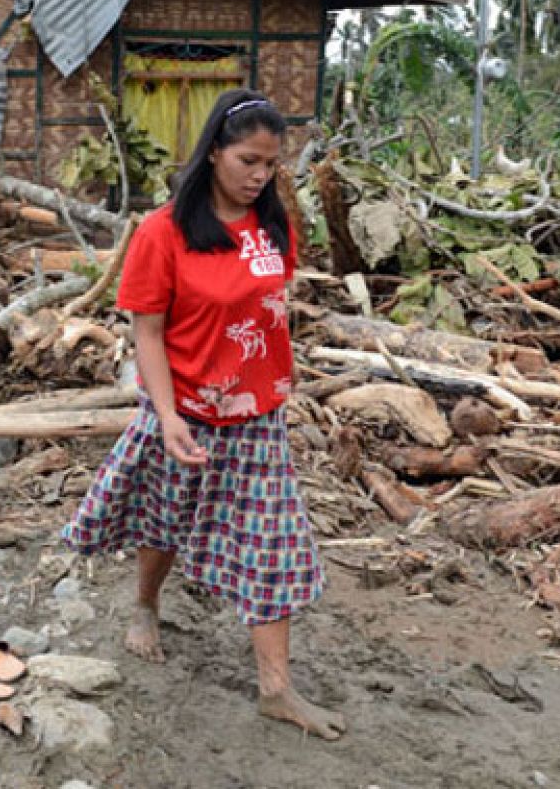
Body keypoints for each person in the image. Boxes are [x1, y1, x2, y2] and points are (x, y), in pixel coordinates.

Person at [61, 89, 345, 740]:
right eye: (248, 159)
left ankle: (277, 688)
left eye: (270, 164)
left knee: (272, 544)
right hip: (183, 409)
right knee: (164, 518)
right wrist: (165, 414)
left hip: (259, 418)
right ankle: (145, 604)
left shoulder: (275, 226)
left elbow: (267, 309)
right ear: (213, 150)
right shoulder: (164, 233)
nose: (259, 174)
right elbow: (149, 334)